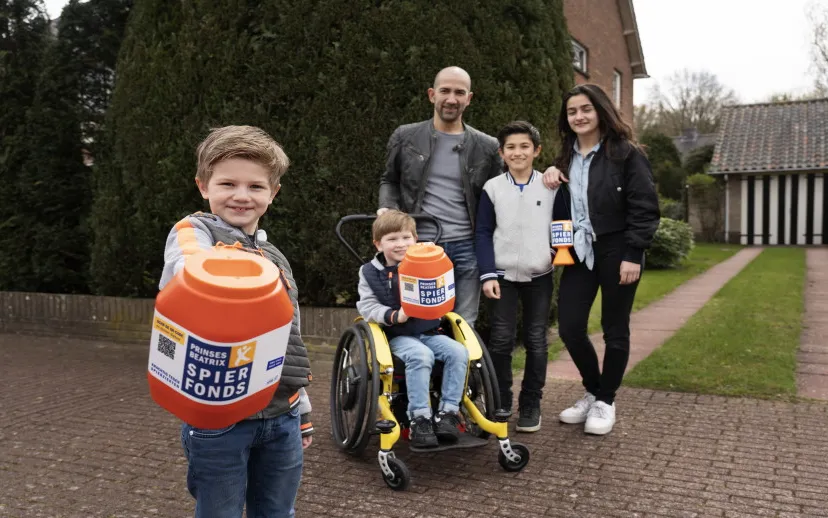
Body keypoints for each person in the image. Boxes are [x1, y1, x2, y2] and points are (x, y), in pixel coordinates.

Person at [159, 125, 313, 517]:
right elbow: (192, 267)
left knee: (278, 512)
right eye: (228, 183)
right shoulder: (194, 232)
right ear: (203, 186)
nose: (242, 196)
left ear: (273, 194)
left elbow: (289, 334)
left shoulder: (274, 256)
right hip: (220, 420)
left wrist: (303, 407)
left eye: (256, 187)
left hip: (283, 413)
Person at [542, 84, 660, 436]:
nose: (578, 116)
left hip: (617, 249)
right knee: (570, 327)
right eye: (572, 111)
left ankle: (606, 401)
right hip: (578, 251)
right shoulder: (565, 158)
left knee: (614, 328)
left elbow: (645, 207)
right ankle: (594, 389)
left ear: (601, 111)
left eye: (585, 109)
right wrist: (550, 173)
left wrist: (633, 253)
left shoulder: (626, 154)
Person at [377, 66, 503, 327]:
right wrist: (387, 207)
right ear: (432, 95)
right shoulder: (406, 136)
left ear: (469, 99)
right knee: (422, 322)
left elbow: (499, 194)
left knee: (463, 324)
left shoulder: (487, 146)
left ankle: (461, 369)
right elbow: (389, 179)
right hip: (420, 244)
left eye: (459, 92)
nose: (451, 98)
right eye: (445, 91)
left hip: (468, 245)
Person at [356, 210, 469, 448]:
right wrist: (394, 315)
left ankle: (448, 412)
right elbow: (367, 307)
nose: (401, 244)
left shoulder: (426, 262)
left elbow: (445, 277)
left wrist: (431, 255)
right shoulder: (369, 272)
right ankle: (420, 417)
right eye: (392, 239)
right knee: (421, 355)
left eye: (407, 238)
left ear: (415, 239)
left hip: (429, 331)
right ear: (378, 243)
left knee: (459, 352)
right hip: (397, 335)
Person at [474, 121, 557, 433]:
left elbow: (563, 224)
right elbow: (482, 233)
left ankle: (531, 402)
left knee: (536, 339)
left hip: (540, 275)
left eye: (524, 146)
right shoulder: (493, 188)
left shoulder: (551, 185)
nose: (517, 152)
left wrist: (555, 254)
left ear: (536, 150)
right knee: (501, 339)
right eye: (511, 147)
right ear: (501, 152)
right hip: (502, 276)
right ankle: (501, 401)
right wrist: (487, 274)